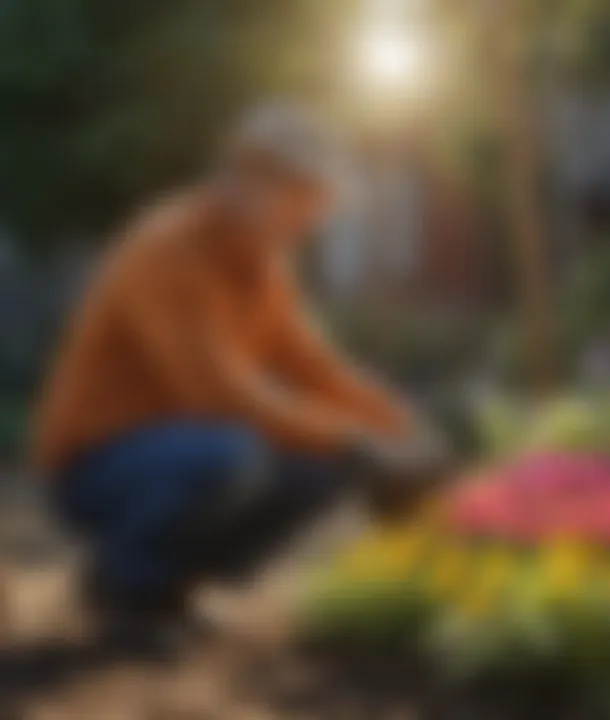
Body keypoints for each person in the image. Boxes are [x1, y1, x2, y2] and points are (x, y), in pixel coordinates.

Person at [33, 102, 450, 656]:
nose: (316, 215)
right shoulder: (168, 250)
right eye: (306, 195)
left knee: (318, 471)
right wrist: (356, 442)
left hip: (180, 449)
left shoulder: (266, 265)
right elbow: (220, 394)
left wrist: (402, 427)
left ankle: (168, 585)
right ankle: (123, 588)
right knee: (231, 455)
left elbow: (314, 367)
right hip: (93, 465)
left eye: (321, 200)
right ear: (250, 182)